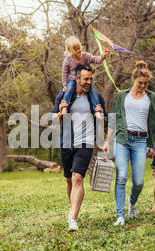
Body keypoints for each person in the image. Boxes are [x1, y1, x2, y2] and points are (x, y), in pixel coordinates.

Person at [102, 60, 155, 226]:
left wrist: (152, 144)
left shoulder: (151, 98)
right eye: (140, 83)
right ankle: (120, 215)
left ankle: (132, 202)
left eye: (146, 83)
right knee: (121, 177)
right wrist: (107, 141)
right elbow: (113, 120)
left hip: (141, 141)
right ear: (133, 79)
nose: (143, 86)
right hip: (123, 139)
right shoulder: (121, 96)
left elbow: (154, 122)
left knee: (139, 182)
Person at [51, 65, 107, 231]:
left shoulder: (95, 97)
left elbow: (104, 120)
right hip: (67, 141)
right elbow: (53, 117)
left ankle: (73, 219)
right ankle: (72, 210)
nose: (89, 82)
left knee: (77, 177)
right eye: (86, 79)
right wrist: (61, 113)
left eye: (91, 79)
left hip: (86, 142)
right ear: (77, 79)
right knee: (69, 178)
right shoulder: (64, 95)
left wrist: (101, 116)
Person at [60, 36, 110, 119]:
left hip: (84, 80)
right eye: (75, 49)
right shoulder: (68, 60)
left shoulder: (86, 56)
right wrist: (64, 85)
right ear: (70, 51)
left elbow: (96, 60)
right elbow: (64, 73)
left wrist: (103, 56)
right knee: (69, 88)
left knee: (92, 89)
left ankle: (97, 110)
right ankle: (64, 107)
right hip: (72, 79)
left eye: (79, 48)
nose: (78, 50)